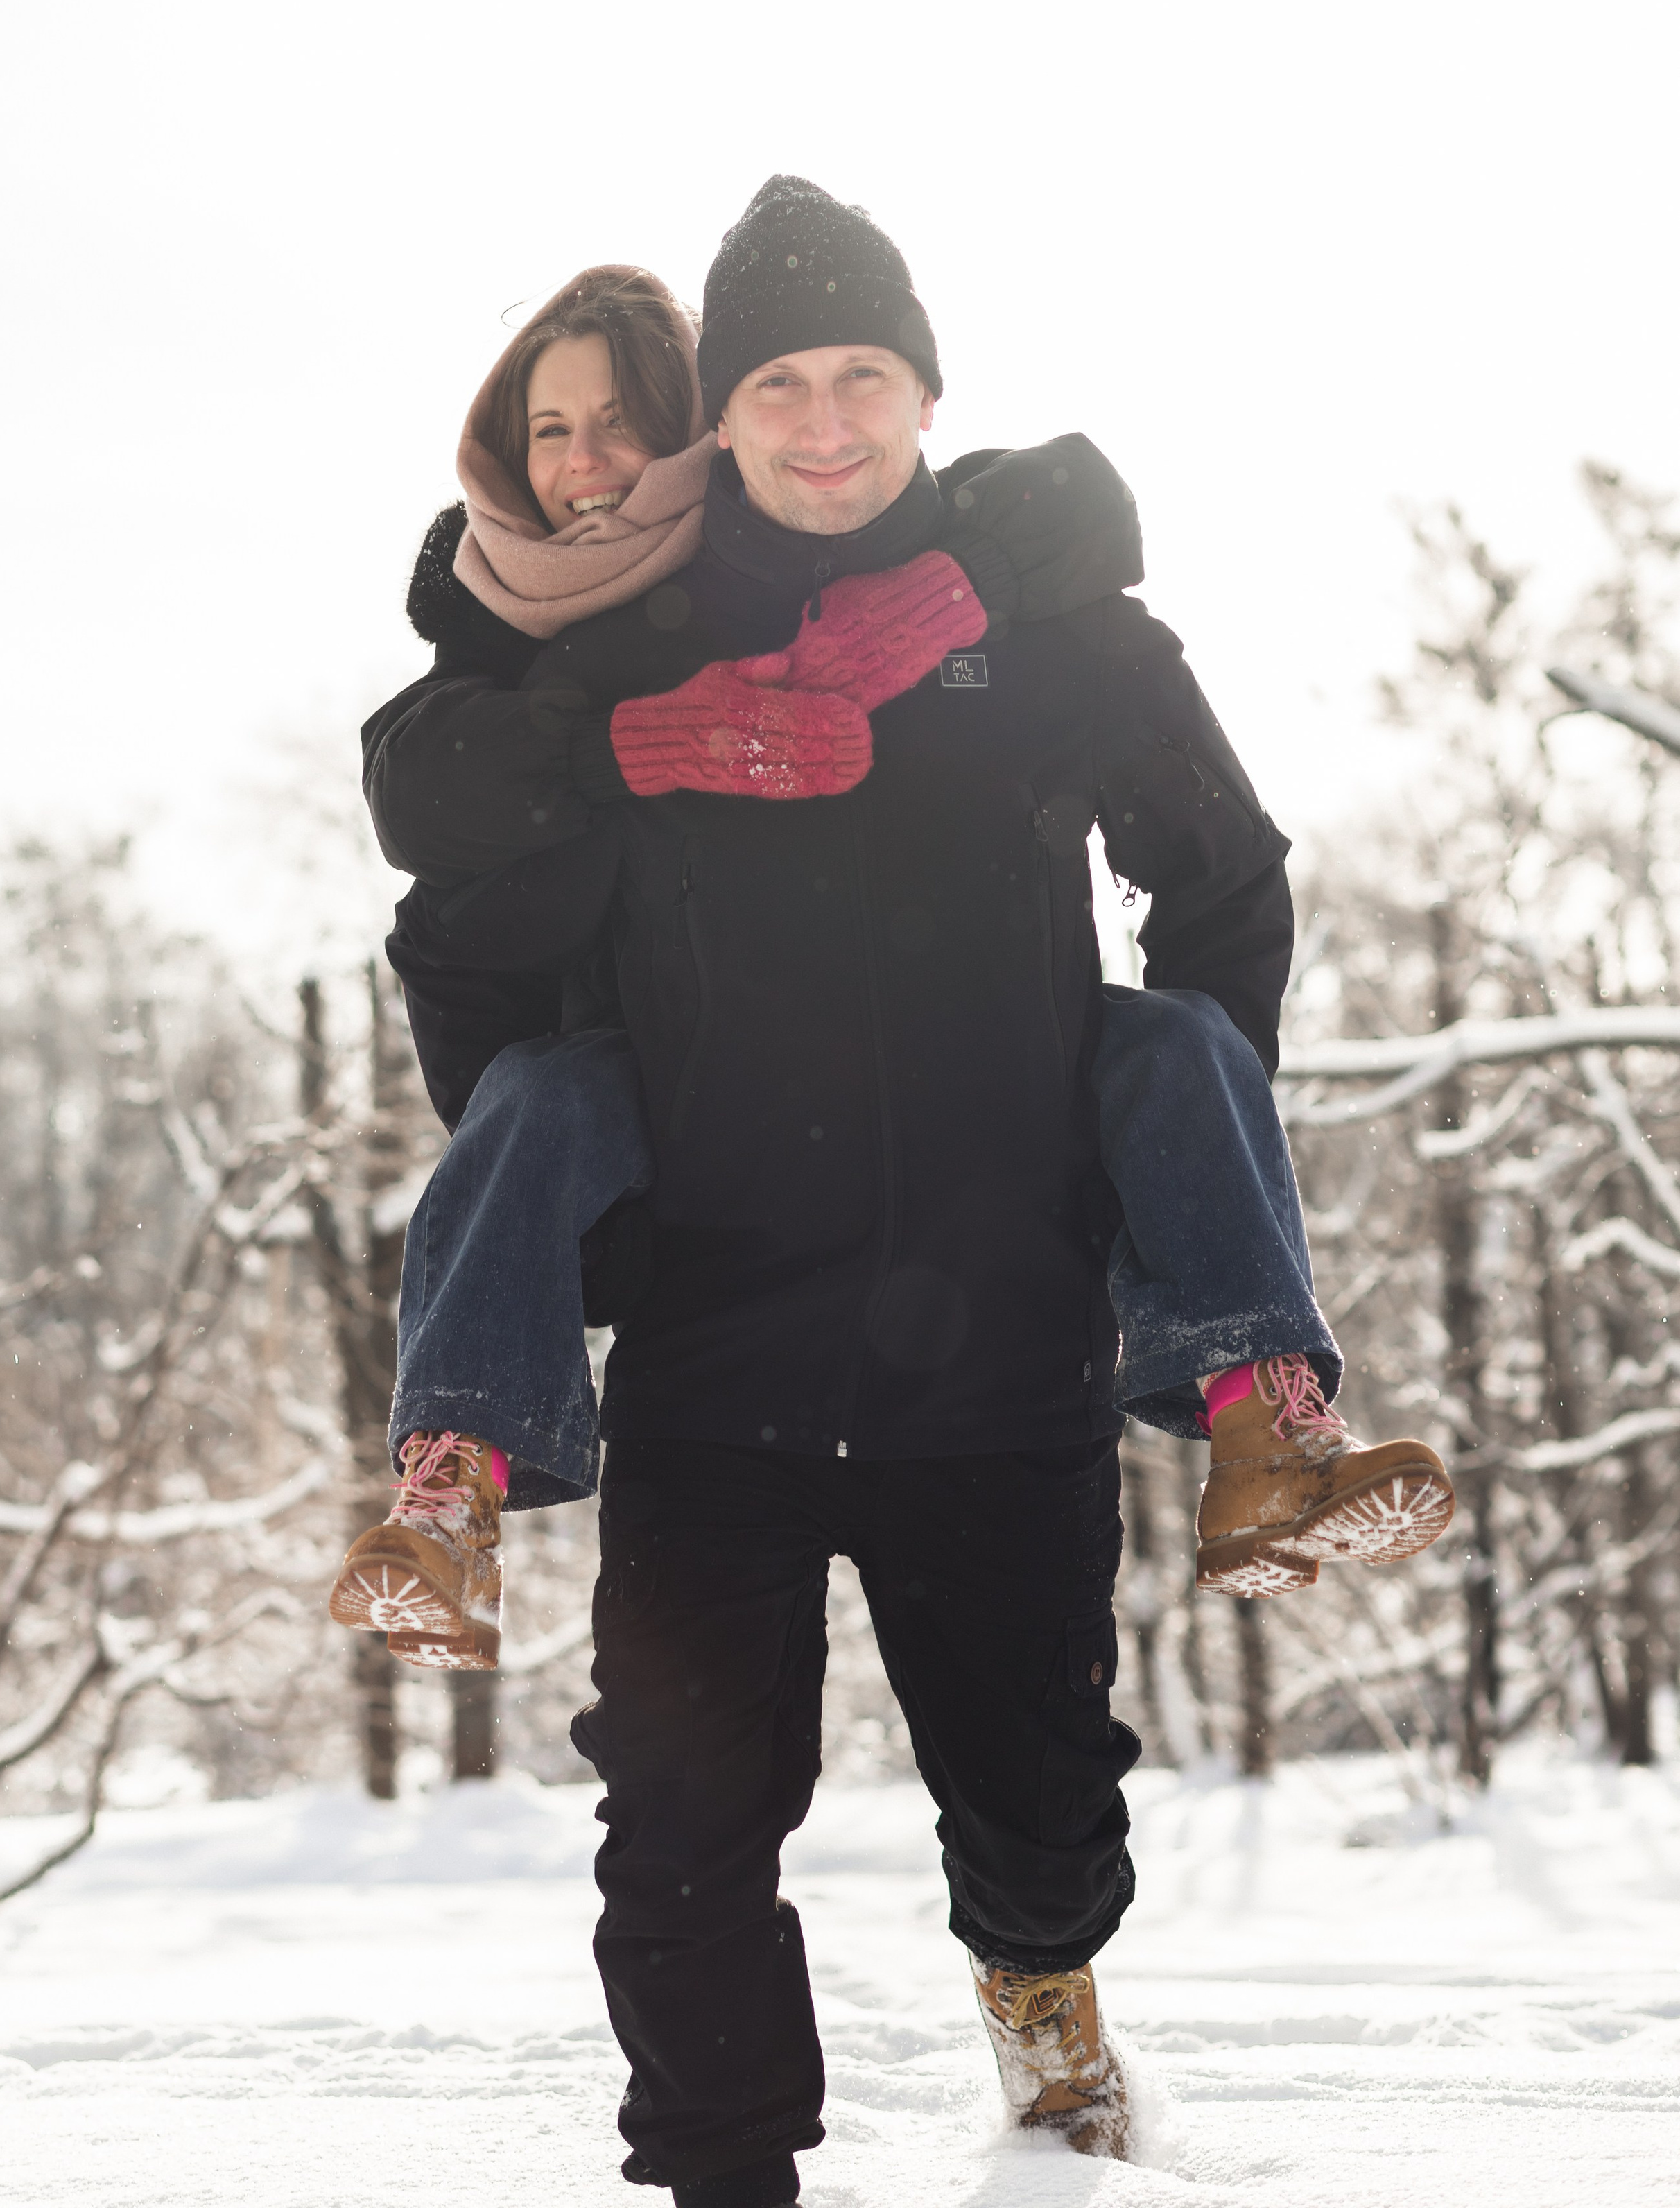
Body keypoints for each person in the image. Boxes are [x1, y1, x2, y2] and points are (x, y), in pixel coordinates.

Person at [348, 187, 1453, 2197]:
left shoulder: (1042, 618)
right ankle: (721, 2171)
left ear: (929, 387)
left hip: (998, 1355)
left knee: (1041, 1815)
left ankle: (1049, 2028)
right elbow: (454, 908)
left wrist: (1153, 1137)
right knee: (678, 1826)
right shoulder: (637, 643)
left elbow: (1225, 879)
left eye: (866, 372)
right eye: (780, 379)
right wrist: (590, 1215)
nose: (828, 416)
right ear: (729, 418)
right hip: (716, 1368)